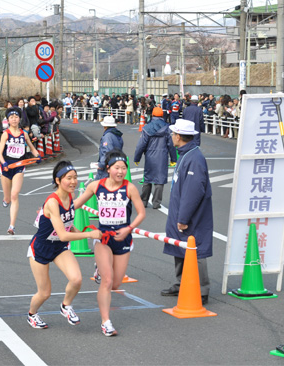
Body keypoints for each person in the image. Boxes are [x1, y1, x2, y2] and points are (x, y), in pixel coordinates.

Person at [74, 150, 146, 336]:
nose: (120, 172)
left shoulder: (129, 188)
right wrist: (51, 209)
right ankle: (106, 322)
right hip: (103, 238)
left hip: (123, 238)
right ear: (108, 168)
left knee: (115, 284)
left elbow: (141, 213)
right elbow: (75, 204)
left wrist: (128, 229)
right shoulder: (96, 186)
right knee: (106, 281)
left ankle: (101, 268)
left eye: (123, 168)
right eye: (117, 168)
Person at [27, 161, 102, 329]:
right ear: (58, 180)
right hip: (41, 248)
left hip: (60, 247)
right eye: (69, 178)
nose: (73, 181)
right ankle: (32, 314)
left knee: (76, 279)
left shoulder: (70, 196)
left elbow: (67, 226)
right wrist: (89, 234)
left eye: (75, 177)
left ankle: (65, 306)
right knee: (44, 293)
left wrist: (83, 232)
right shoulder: (53, 202)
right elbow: (62, 234)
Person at [161, 119, 213, 305]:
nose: (172, 136)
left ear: (179, 136)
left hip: (190, 215)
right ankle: (182, 282)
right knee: (181, 247)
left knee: (194, 250)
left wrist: (183, 217)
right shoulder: (186, 154)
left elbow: (193, 192)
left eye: (173, 133)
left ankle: (201, 289)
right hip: (181, 211)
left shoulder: (194, 158)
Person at [0, 107, 40, 235]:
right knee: (8, 198)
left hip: (19, 166)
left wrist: (37, 156)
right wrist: (4, 163)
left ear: (19, 119)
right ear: (8, 120)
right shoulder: (6, 134)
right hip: (6, 166)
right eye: (11, 118)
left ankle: (12, 226)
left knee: (15, 194)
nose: (14, 119)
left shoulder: (24, 134)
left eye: (16, 117)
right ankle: (6, 199)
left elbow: (32, 148)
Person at [134, 107, 177, 209]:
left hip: (150, 156)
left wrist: (137, 158)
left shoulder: (147, 128)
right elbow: (171, 145)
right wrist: (173, 159)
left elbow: (141, 145)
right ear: (162, 115)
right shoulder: (167, 128)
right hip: (162, 156)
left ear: (152, 115)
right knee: (160, 180)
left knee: (147, 178)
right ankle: (156, 203)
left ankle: (144, 201)